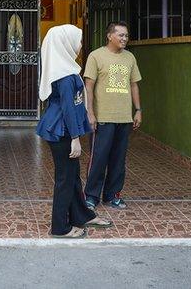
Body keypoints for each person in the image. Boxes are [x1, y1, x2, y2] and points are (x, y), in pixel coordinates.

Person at [36, 24, 113, 238]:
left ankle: (82, 215)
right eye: (77, 40)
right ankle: (60, 227)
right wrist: (76, 139)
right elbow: (69, 109)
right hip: (63, 132)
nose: (80, 45)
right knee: (65, 178)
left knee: (72, 176)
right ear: (65, 43)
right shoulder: (65, 76)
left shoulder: (66, 70)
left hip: (61, 129)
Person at [83, 21, 142, 210]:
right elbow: (89, 86)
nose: (125, 38)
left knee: (118, 160)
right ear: (110, 36)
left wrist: (138, 110)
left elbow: (134, 85)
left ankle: (113, 195)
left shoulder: (130, 57)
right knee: (98, 158)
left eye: (126, 35)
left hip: (124, 118)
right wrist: (90, 113)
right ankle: (91, 196)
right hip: (103, 118)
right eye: (121, 35)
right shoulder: (96, 56)